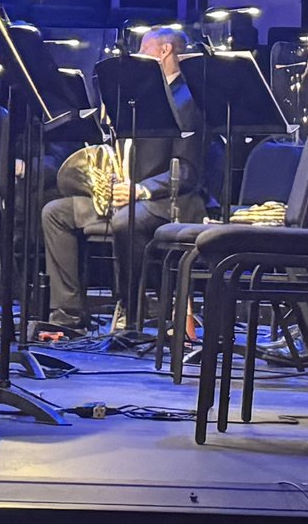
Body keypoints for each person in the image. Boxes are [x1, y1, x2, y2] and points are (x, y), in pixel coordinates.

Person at [39, 25, 205, 340]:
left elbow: (187, 171)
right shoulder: (134, 98)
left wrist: (140, 190)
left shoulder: (186, 100)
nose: (138, 57)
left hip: (163, 203)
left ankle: (133, 312)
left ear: (164, 51)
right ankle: (67, 316)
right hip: (122, 198)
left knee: (124, 221)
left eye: (144, 49)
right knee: (55, 212)